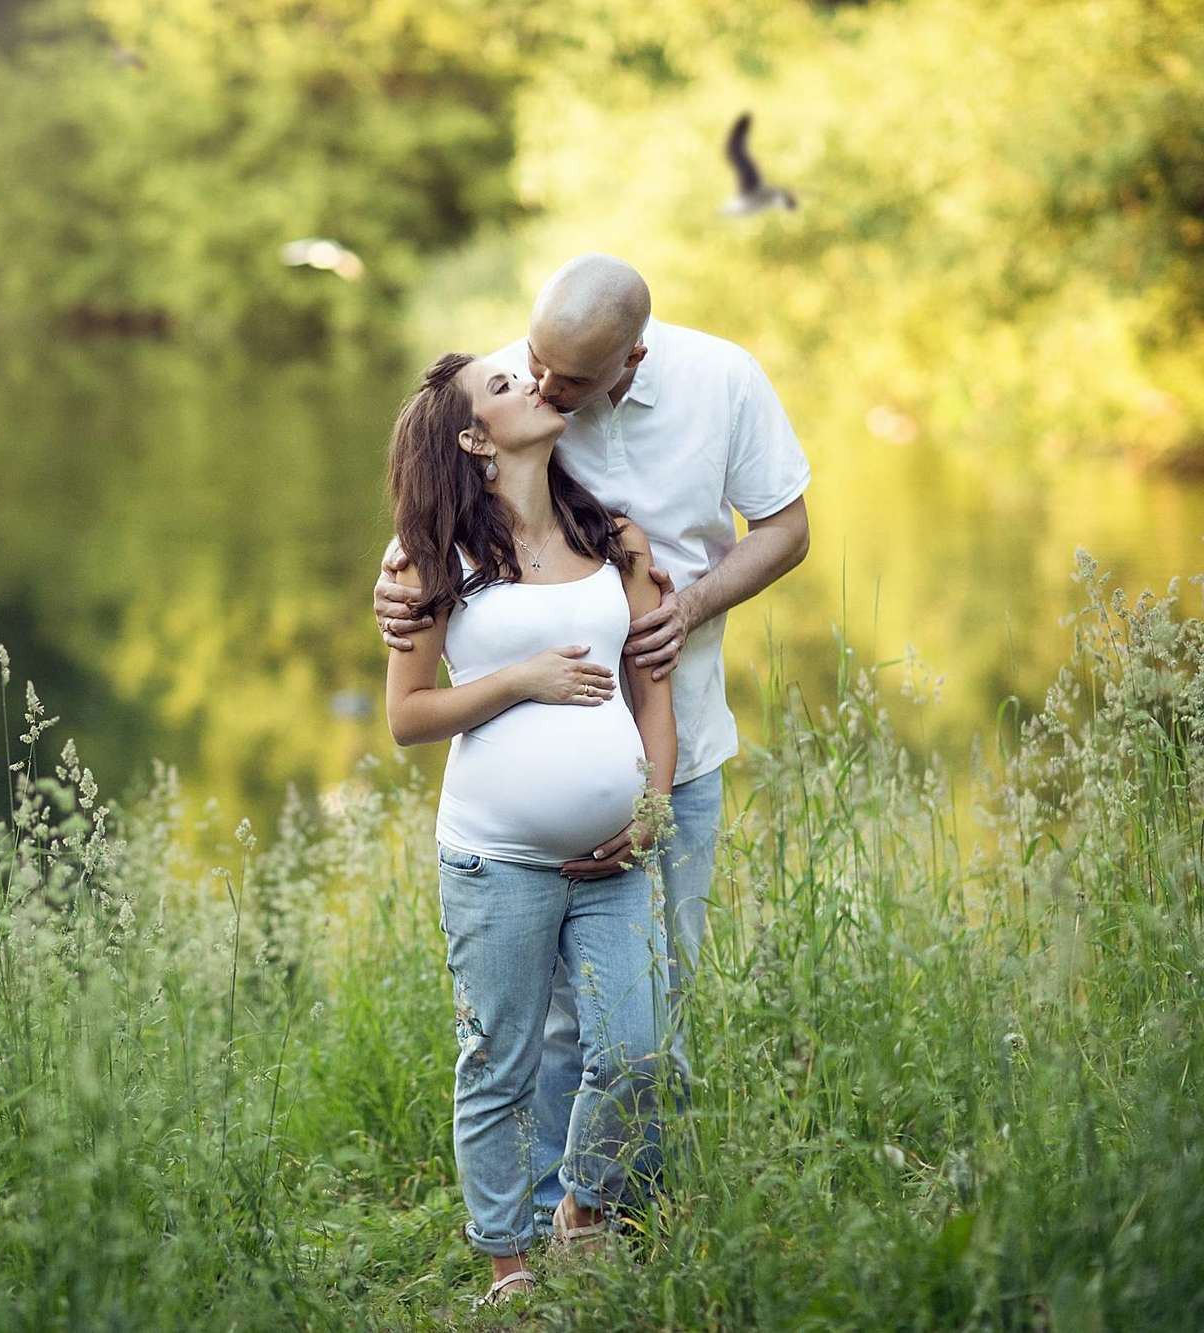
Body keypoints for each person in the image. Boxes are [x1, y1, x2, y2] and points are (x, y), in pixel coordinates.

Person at [374, 254, 812, 1242]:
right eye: (531, 366)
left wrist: (689, 604)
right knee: (549, 1030)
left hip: (676, 750)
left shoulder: (721, 384)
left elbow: (785, 528)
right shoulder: (512, 385)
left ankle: (603, 1208)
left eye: (569, 379)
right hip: (512, 826)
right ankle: (529, 1233)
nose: (543, 386)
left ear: (631, 359)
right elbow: (435, 506)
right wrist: (395, 588)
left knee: (650, 1018)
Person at [384, 351, 676, 1304]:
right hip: (495, 860)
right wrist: (519, 681)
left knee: (635, 1049)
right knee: (499, 1060)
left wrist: (651, 810)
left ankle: (583, 1210)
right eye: (502, 388)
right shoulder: (435, 559)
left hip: (614, 861)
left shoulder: (614, 536)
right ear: (473, 438)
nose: (529, 387)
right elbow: (409, 715)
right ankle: (507, 1262)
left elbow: (652, 692)